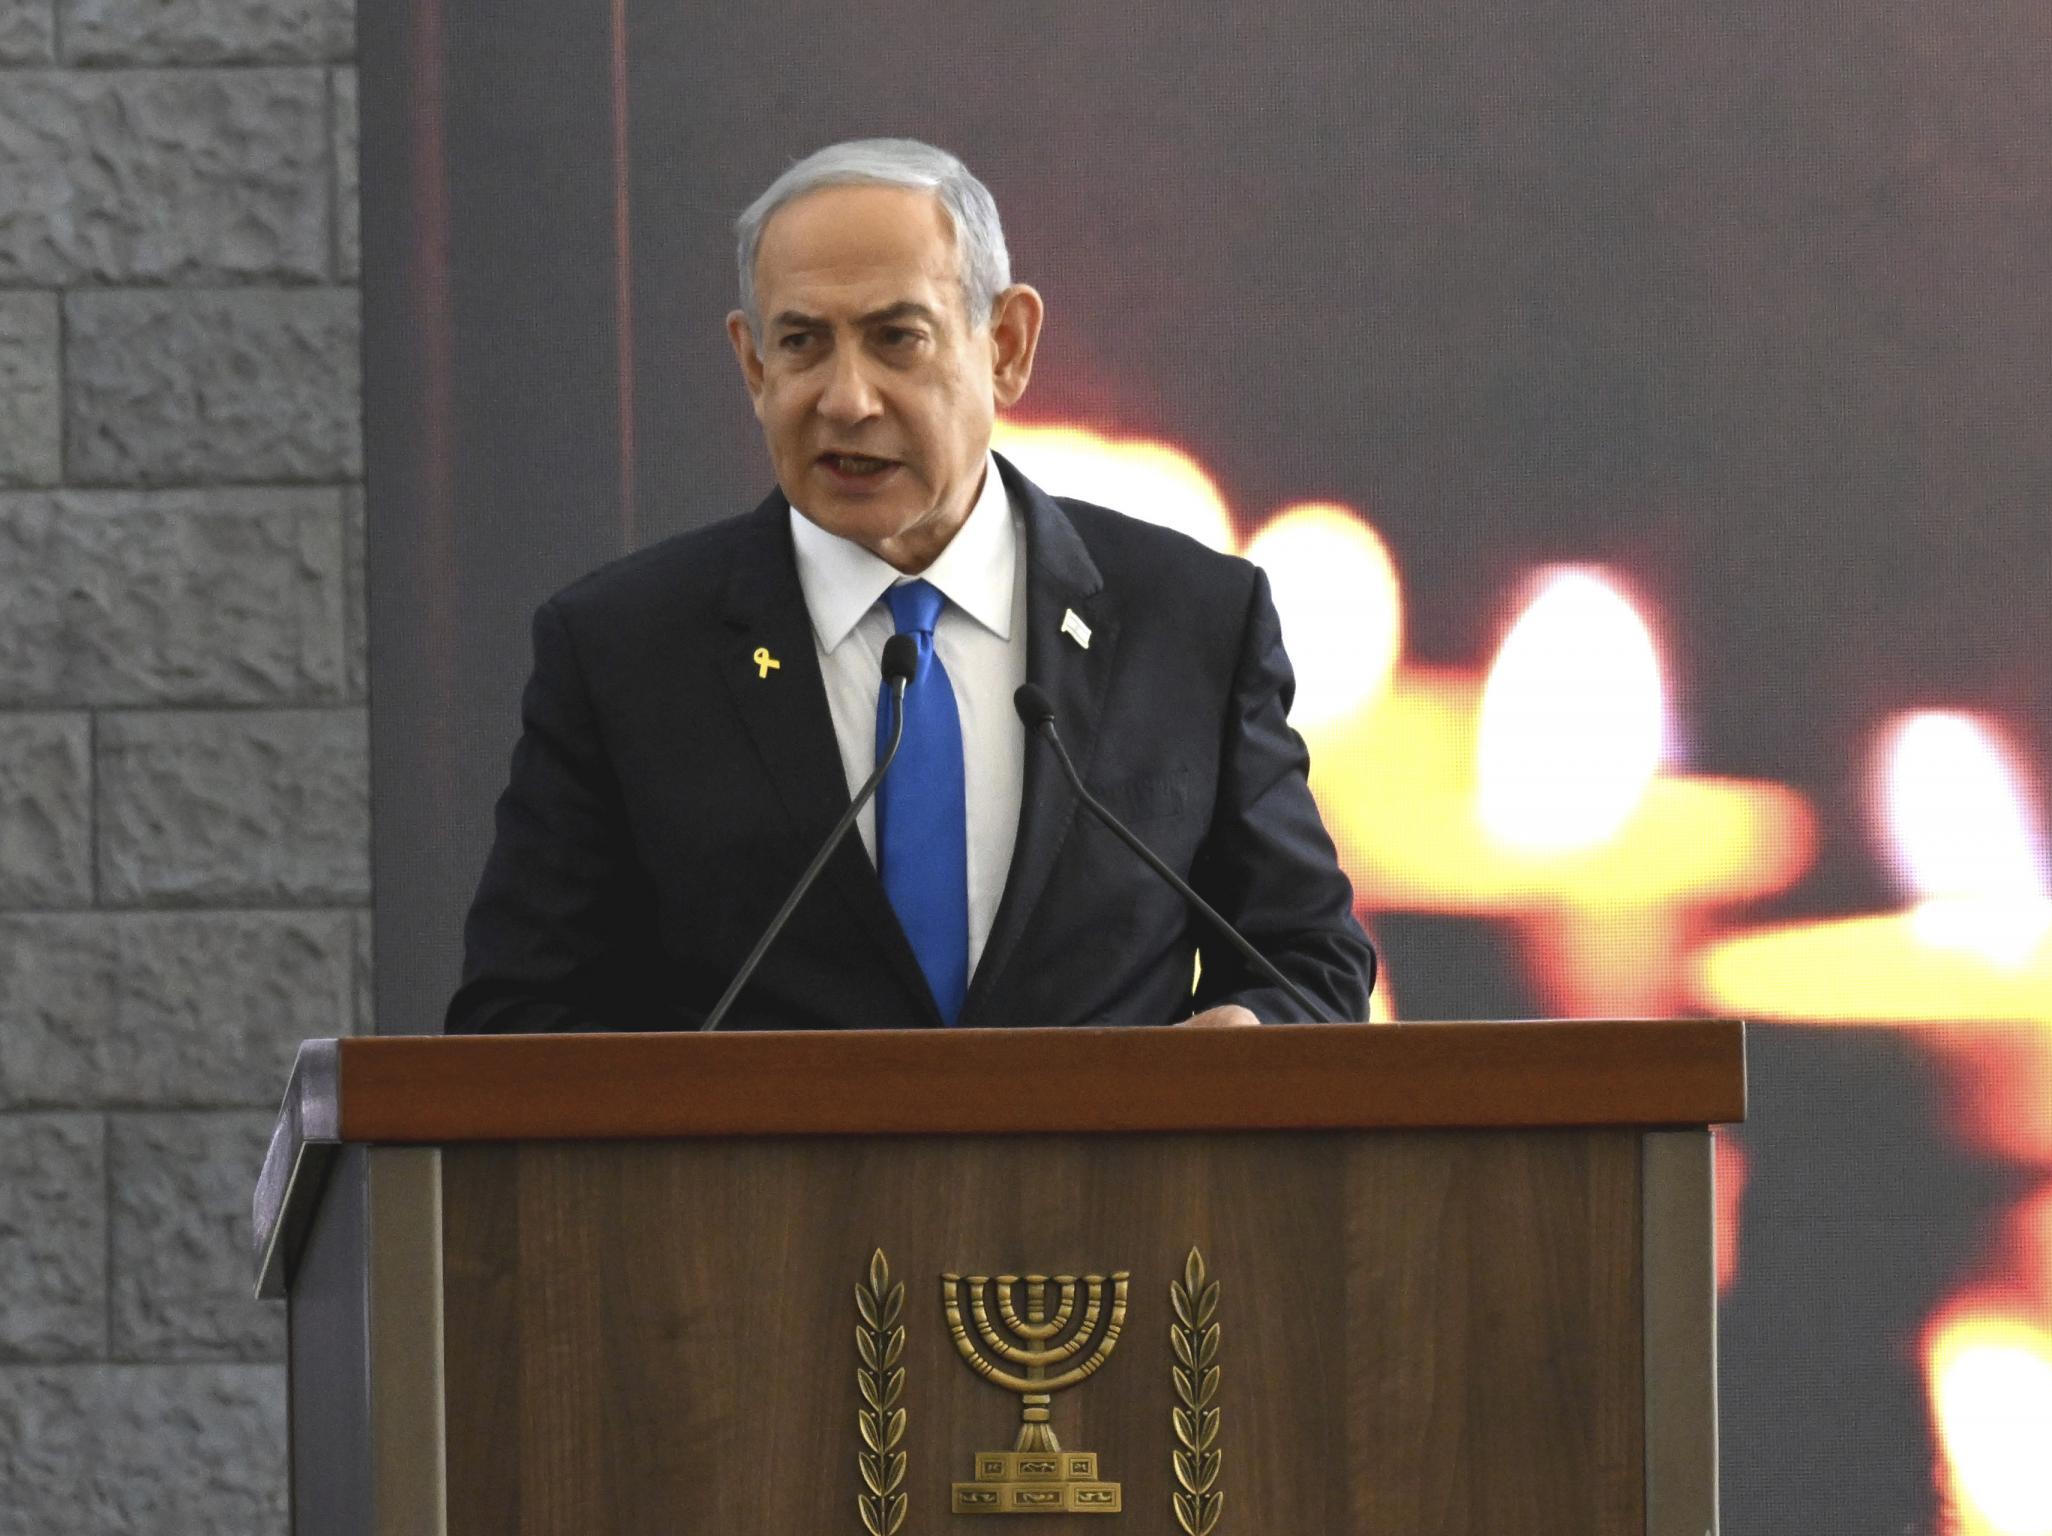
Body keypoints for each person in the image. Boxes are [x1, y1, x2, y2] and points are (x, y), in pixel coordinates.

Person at [446, 138, 1374, 1033]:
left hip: (1116, 1193)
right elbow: (518, 1014)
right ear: (753, 365)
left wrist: (1249, 1031)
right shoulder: (623, 651)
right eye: (803, 344)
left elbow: (1309, 959)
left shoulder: (1190, 619)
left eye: (897, 339)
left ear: (1006, 345)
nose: (846, 399)